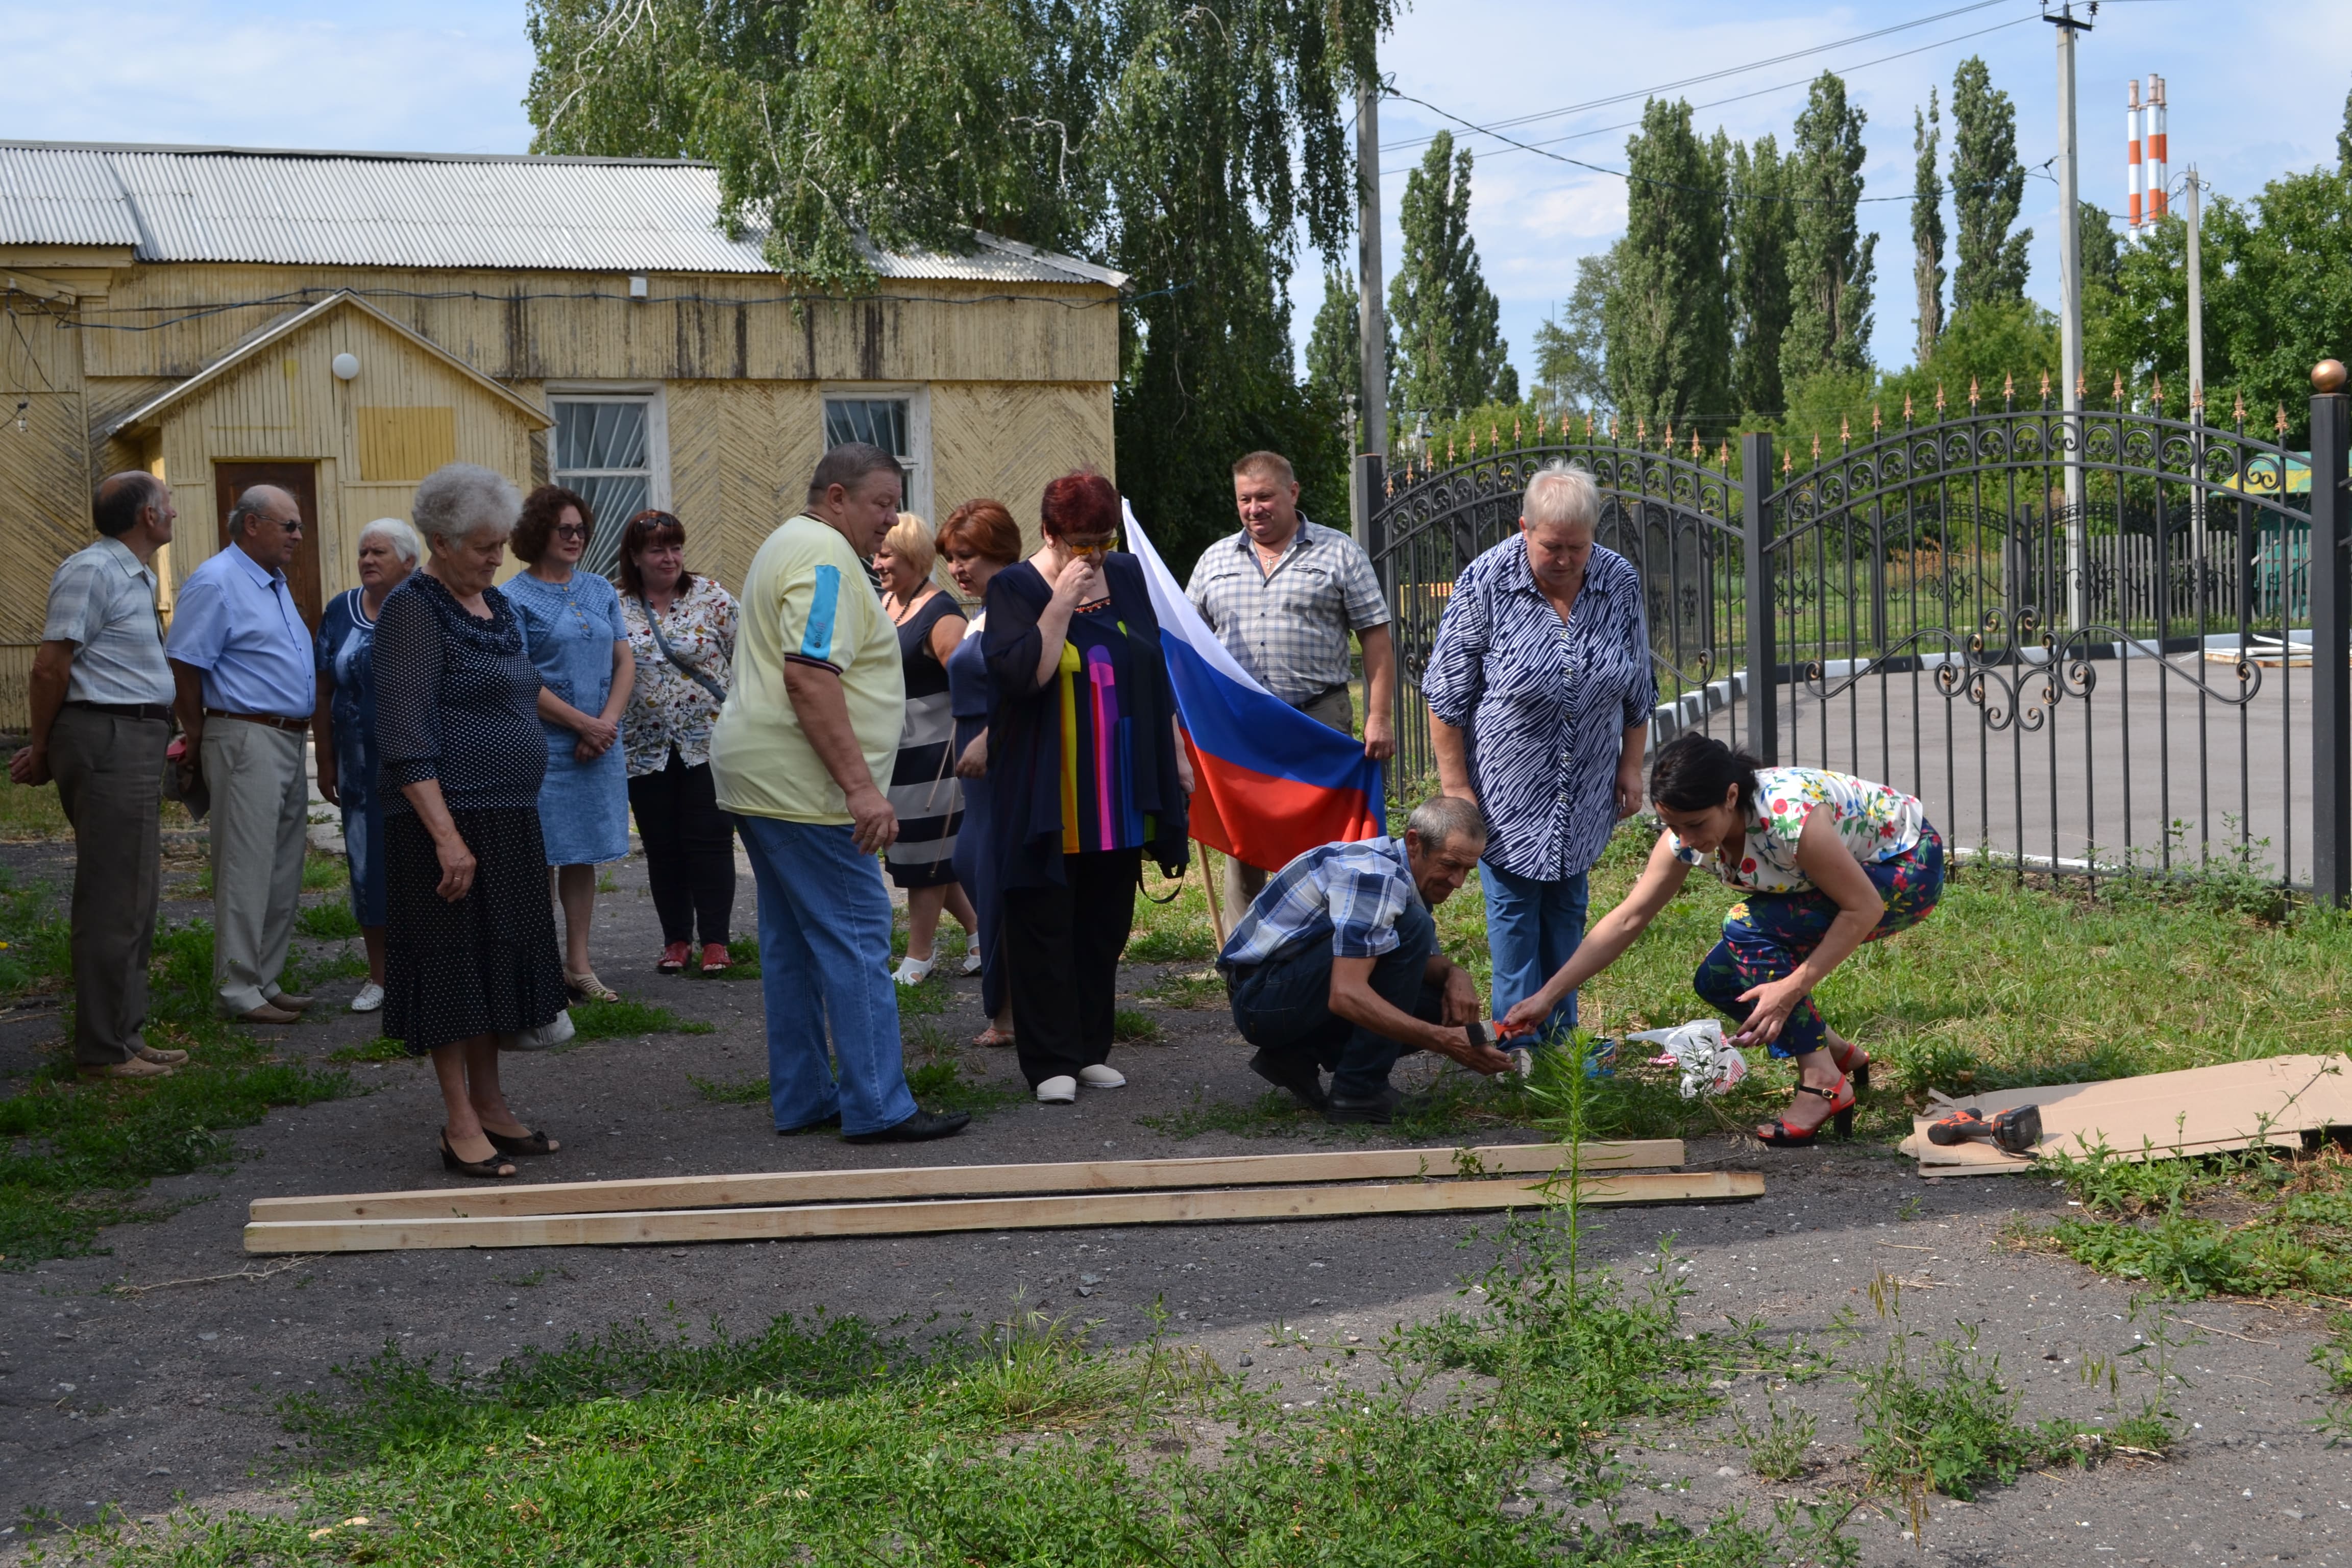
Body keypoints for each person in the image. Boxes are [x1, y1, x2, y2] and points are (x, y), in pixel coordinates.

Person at [709, 442, 970, 1144]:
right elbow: (810, 673)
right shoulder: (825, 559)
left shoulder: (788, 544)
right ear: (836, 498)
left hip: (763, 777)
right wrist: (862, 789)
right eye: (880, 503)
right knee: (857, 937)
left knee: (792, 945)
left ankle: (804, 1098)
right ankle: (880, 1105)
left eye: (895, 503)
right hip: (804, 787)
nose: (891, 520)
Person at [1504, 733, 1946, 1147]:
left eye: (1696, 824)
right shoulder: (1687, 836)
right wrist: (1548, 996)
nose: (1687, 840)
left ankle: (1823, 1080)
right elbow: (1628, 918)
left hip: (1905, 868)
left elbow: (1863, 908)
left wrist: (1791, 990)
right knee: (1719, 980)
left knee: (1745, 926)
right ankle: (1837, 1053)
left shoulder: (1789, 820)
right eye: (1673, 826)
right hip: (1855, 881)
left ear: (1732, 797)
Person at [374, 463, 571, 1179]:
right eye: (484, 546)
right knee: (452, 968)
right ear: (440, 542)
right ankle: (459, 1122)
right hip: (445, 822)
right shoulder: (413, 609)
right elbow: (403, 732)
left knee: (495, 962)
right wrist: (446, 837)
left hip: (508, 816)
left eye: (501, 543)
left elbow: (519, 693)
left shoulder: (498, 607)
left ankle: (491, 1106)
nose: (498, 557)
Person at [1421, 460, 1654, 1040]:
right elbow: (1445, 693)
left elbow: (1639, 684)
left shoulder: (1618, 580)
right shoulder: (1486, 581)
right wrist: (1457, 790)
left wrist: (1631, 766)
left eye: (1578, 547)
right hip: (1506, 793)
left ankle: (1562, 1044)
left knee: (1567, 917)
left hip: (1587, 788)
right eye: (1552, 546)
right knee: (1515, 922)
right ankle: (1516, 1049)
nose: (1566, 559)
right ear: (1524, 527)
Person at [983, 470, 1191, 1105]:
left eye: (1103, 539)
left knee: (1104, 926)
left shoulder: (1126, 576)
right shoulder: (1014, 587)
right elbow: (1026, 677)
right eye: (1080, 542)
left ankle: (1088, 1049)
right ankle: (1048, 1061)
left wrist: (1177, 750)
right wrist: (1061, 602)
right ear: (1049, 532)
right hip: (1050, 792)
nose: (1094, 555)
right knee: (1045, 926)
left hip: (1121, 789)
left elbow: (1156, 667)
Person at [11, 473, 182, 1078]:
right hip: (107, 737)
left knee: (136, 895)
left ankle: (124, 1037)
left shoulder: (129, 573)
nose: (175, 514)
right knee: (113, 899)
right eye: (168, 506)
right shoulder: (93, 570)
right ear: (145, 517)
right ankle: (103, 1050)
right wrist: (42, 746)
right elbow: (50, 668)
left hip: (131, 738)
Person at [1186, 450, 1396, 921]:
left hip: (1316, 718)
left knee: (1319, 841)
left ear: (1293, 493)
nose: (1254, 508)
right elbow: (1188, 642)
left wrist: (1378, 716)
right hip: (1241, 728)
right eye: (1245, 499)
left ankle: (1318, 953)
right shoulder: (1214, 559)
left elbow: (1377, 640)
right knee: (1244, 841)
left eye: (1265, 496)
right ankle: (1247, 965)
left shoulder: (1338, 551)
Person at [1219, 795, 1514, 1123]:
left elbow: (1404, 963)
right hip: (1261, 1000)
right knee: (1413, 933)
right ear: (1414, 843)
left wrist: (1456, 974)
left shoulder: (1402, 872)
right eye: (1449, 865)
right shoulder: (1376, 878)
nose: (1458, 882)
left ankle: (1297, 1056)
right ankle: (1359, 1092)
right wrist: (1445, 1041)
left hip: (1279, 991)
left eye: (1467, 870)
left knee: (1434, 1004)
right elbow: (1346, 995)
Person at [166, 484, 320, 1024]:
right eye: (290, 526)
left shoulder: (272, 582)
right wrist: (197, 732)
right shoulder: (216, 581)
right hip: (244, 734)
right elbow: (186, 663)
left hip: (284, 737)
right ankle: (236, 988)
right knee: (244, 864)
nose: (299, 536)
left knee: (282, 865)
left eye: (298, 526)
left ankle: (263, 979)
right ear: (252, 525)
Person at [506, 485, 634, 1004]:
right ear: (539, 532)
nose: (576, 536)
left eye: (581, 528)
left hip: (600, 742)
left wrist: (604, 724)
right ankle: (537, 966)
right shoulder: (511, 598)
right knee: (539, 858)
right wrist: (582, 725)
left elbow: (625, 661)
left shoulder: (600, 589)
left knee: (582, 856)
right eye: (565, 529)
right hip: (544, 747)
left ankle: (578, 965)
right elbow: (517, 678)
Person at [617, 508, 740, 975]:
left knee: (709, 841)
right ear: (635, 555)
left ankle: (715, 942)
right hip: (643, 746)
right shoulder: (618, 604)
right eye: (657, 549)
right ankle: (675, 940)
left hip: (707, 741)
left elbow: (746, 654)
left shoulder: (710, 597)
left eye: (675, 548)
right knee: (662, 845)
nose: (669, 558)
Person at [312, 518, 421, 1013]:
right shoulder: (340, 610)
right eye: (363, 553)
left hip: (422, 764)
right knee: (367, 867)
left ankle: (427, 968)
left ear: (409, 562)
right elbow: (323, 687)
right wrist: (326, 758)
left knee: (425, 865)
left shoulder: (428, 609)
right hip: (360, 768)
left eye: (378, 552)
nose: (367, 561)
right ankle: (379, 976)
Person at [875, 511, 981, 984]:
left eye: (886, 554)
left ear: (914, 556)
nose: (877, 562)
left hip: (935, 753)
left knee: (925, 857)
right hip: (897, 752)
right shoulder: (887, 602)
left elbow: (970, 683)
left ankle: (919, 956)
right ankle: (981, 932)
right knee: (929, 854)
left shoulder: (941, 614)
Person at [940, 499, 1023, 1047]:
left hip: (1004, 761)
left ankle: (1009, 1015)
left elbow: (1028, 687)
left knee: (996, 882)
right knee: (973, 867)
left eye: (967, 555)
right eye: (950, 557)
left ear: (999, 551)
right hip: (973, 776)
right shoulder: (982, 611)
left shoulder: (1015, 605)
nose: (956, 568)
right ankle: (1010, 1005)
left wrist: (992, 739)